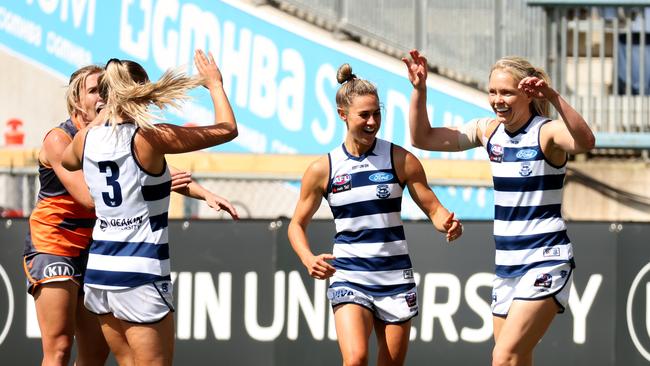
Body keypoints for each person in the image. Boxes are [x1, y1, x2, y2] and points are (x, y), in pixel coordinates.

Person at [24, 62, 239, 365]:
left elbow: (74, 164)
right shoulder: (151, 136)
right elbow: (227, 129)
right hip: (138, 270)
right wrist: (215, 84)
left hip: (100, 269)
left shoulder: (86, 139)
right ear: (140, 93)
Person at [403, 49, 595, 366]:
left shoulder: (545, 132)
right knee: (517, 359)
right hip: (506, 266)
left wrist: (554, 96)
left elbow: (586, 141)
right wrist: (420, 90)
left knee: (503, 357)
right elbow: (423, 138)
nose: (498, 99)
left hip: (544, 258)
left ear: (528, 94)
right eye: (492, 92)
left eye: (506, 92)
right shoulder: (488, 131)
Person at [288, 63, 462, 366]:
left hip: (395, 277)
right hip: (350, 275)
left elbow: (433, 208)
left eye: (376, 114)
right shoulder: (323, 169)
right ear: (343, 115)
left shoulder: (401, 160)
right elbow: (296, 225)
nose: (372, 122)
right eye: (364, 115)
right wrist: (307, 258)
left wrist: (447, 223)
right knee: (355, 359)